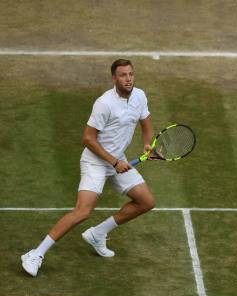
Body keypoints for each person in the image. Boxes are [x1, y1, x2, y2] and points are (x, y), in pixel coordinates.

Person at [21, 59, 155, 276]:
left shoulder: (139, 96)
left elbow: (146, 124)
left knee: (146, 202)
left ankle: (98, 234)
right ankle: (35, 254)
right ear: (114, 78)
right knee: (83, 211)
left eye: (131, 74)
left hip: (117, 159)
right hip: (96, 161)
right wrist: (113, 162)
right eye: (123, 75)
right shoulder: (104, 103)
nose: (128, 79)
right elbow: (88, 138)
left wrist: (148, 144)